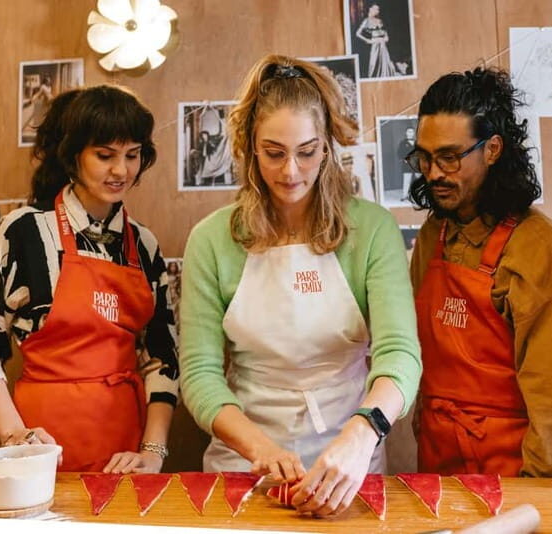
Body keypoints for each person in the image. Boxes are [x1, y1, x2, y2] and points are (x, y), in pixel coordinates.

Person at [180, 54, 421, 517]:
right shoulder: (211, 240)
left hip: (351, 459)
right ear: (249, 146)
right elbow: (200, 373)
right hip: (243, 460)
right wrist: (260, 450)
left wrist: (362, 433)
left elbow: (399, 355)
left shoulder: (371, 230)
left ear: (327, 146)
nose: (291, 171)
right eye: (274, 152)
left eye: (307, 152)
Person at [0, 85, 179, 473]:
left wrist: (152, 454)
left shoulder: (144, 244)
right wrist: (16, 439)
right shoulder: (23, 233)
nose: (121, 170)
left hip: (126, 459)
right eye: (104, 156)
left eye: (132, 155)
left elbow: (163, 359)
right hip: (39, 456)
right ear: (74, 157)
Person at [407, 67, 552, 477]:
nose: (435, 173)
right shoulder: (433, 235)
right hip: (437, 456)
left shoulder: (540, 249)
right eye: (425, 156)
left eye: (450, 157)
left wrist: (539, 496)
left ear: (492, 149)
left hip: (511, 468)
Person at [355, 4, 397, 78]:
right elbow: (357, 33)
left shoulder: (380, 21)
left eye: (378, 9)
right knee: (374, 64)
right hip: (374, 45)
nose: (377, 11)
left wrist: (385, 39)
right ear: (370, 9)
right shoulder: (366, 21)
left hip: (383, 45)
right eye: (375, 9)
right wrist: (367, 40)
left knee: (386, 65)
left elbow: (386, 35)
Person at [398, 125, 416, 201]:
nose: (410, 133)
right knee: (406, 180)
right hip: (407, 165)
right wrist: (404, 158)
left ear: (414, 133)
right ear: (406, 133)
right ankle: (404, 195)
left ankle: (419, 196)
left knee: (419, 181)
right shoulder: (402, 143)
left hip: (416, 165)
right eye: (408, 131)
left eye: (411, 131)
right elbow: (399, 153)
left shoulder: (417, 143)